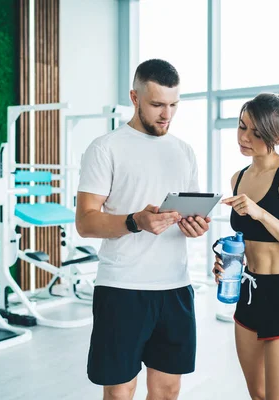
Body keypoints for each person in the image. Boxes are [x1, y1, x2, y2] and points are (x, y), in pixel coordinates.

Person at [76, 59, 210, 400]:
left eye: (173, 105)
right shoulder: (105, 148)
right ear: (135, 98)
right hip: (123, 288)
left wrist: (195, 226)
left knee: (168, 390)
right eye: (157, 105)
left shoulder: (184, 152)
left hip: (176, 287)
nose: (167, 114)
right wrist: (135, 221)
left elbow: (186, 216)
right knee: (121, 390)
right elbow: (86, 221)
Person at [212, 93, 279, 399]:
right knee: (258, 395)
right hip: (247, 292)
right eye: (241, 127)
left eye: (256, 133)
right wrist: (226, 263)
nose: (244, 138)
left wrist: (261, 214)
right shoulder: (238, 178)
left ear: (278, 136)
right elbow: (249, 242)